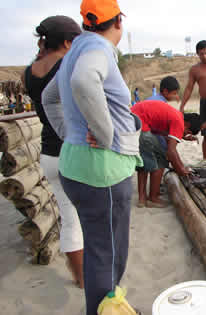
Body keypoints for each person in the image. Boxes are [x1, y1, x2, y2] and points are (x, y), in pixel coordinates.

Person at [42, 0, 142, 314]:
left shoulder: (74, 52)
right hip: (103, 172)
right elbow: (84, 81)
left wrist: (67, 132)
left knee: (100, 250)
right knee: (107, 255)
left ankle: (109, 305)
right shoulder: (98, 49)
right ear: (117, 23)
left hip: (76, 165)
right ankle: (105, 309)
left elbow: (49, 98)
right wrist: (105, 134)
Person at [22, 15, 84, 288]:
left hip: (49, 154)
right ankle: (92, 276)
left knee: (69, 219)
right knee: (90, 218)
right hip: (74, 151)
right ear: (69, 42)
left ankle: (80, 278)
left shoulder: (29, 70)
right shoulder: (68, 66)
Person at [131, 99, 201, 207]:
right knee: (162, 158)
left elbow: (164, 134)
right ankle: (153, 198)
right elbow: (171, 151)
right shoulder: (179, 122)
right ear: (187, 124)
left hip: (133, 122)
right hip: (141, 126)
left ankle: (142, 199)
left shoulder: (175, 115)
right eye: (187, 132)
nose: (185, 133)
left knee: (144, 162)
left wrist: (181, 136)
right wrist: (182, 170)